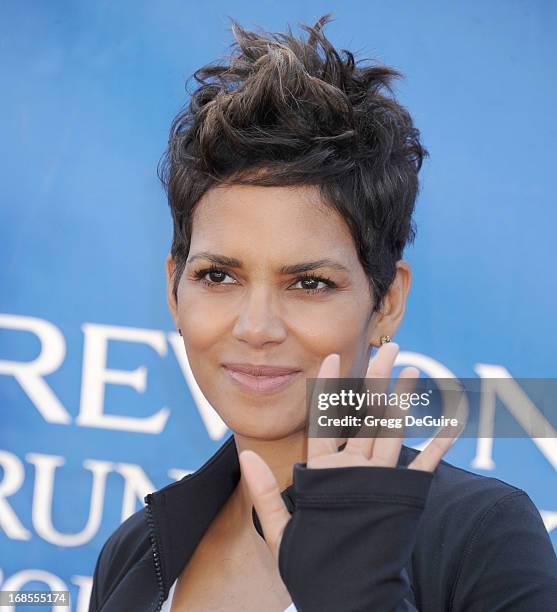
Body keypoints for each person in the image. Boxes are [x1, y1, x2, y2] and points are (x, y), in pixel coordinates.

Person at [88, 14, 557, 612]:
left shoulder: (478, 534)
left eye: (309, 283)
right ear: (174, 286)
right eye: (218, 276)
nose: (256, 328)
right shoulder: (135, 550)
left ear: (387, 301)